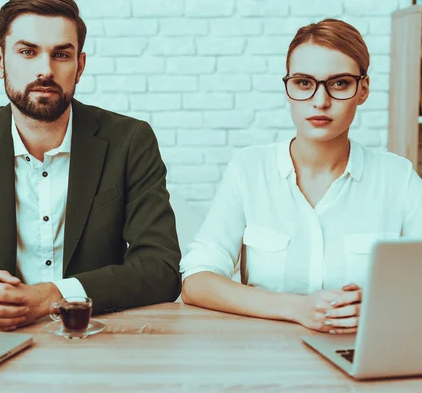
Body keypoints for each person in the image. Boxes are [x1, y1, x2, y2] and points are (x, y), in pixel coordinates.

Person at [0, 0, 181, 331]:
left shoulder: (129, 140)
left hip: (96, 335)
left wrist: (50, 296)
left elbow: (161, 269)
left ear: (79, 66)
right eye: (27, 52)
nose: (45, 69)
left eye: (61, 55)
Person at [180, 19, 422, 335]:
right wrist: (297, 308)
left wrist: (381, 302)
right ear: (288, 87)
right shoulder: (250, 169)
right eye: (304, 83)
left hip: (359, 355)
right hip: (265, 358)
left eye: (339, 83)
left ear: (363, 90)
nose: (320, 101)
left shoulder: (398, 178)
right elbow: (197, 281)